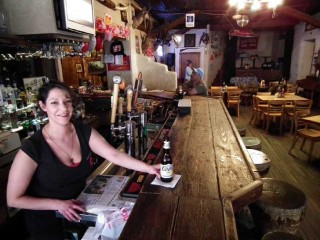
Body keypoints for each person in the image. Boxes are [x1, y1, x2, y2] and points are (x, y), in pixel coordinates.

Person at [6, 81, 160, 240]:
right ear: (43, 106)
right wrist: (58, 204)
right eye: (54, 103)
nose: (64, 108)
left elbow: (114, 155)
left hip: (80, 212)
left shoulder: (83, 131)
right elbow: (13, 199)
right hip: (47, 224)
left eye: (67, 102)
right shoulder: (32, 147)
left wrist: (149, 168)